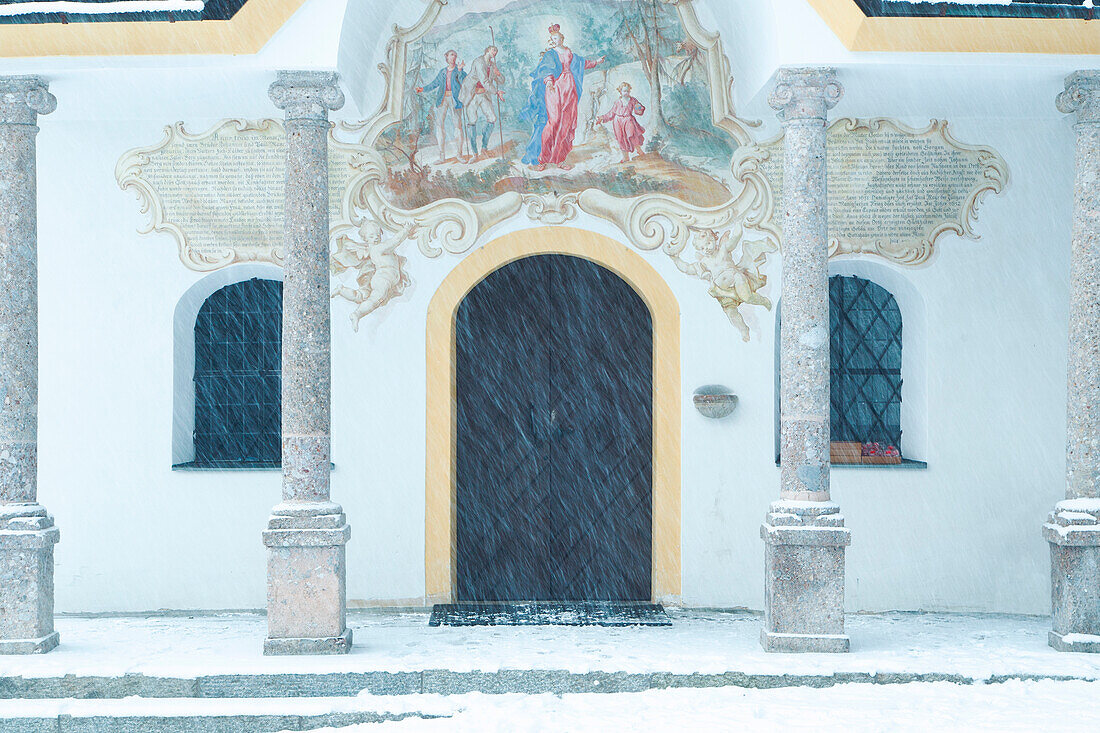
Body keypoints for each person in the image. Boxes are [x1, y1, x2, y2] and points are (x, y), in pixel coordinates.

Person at [520, 24, 605, 171]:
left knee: (566, 123)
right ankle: (543, 159)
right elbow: (545, 69)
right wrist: (549, 81)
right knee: (553, 122)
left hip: (569, 87)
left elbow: (581, 63)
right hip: (554, 88)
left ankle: (560, 159)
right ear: (551, 39)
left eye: (557, 37)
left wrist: (596, 62)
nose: (555, 40)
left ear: (562, 38)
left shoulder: (569, 52)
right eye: (553, 38)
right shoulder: (550, 54)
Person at [331, 220, 417, 331]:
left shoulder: (375, 249)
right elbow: (395, 241)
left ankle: (341, 290)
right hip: (383, 279)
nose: (376, 238)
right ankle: (356, 314)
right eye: (371, 236)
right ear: (365, 239)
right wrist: (406, 230)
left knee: (362, 296)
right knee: (374, 301)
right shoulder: (379, 248)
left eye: (377, 235)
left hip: (383, 280)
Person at [415, 50, 467, 164]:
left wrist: (460, 70)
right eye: (451, 55)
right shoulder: (443, 72)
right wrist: (423, 89)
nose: (453, 57)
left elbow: (465, 82)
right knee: (439, 126)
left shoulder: (459, 70)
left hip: (455, 100)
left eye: (455, 55)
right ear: (447, 57)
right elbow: (434, 84)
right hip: (442, 100)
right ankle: (442, 156)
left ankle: (459, 154)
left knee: (458, 126)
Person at [459, 46, 506, 162]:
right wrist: (496, 92)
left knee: (492, 118)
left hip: (484, 95)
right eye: (493, 50)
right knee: (472, 121)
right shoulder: (479, 62)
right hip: (472, 95)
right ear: (487, 50)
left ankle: (484, 148)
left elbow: (501, 81)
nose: (495, 53)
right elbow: (484, 81)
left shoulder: (492, 65)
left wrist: (498, 74)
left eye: (496, 51)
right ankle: (475, 153)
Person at [597, 82, 646, 163]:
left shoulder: (633, 100)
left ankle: (639, 151)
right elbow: (611, 113)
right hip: (618, 122)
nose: (626, 93)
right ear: (620, 91)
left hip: (628, 120)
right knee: (621, 139)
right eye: (624, 91)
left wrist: (639, 108)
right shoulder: (617, 102)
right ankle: (625, 157)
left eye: (627, 91)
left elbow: (638, 109)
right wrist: (602, 117)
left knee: (632, 135)